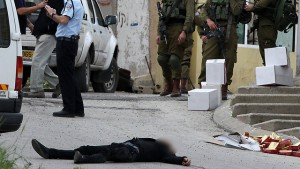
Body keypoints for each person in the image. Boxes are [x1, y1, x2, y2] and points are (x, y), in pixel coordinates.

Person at [44, 0, 84, 117]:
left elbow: (63, 20)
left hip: (66, 42)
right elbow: (63, 19)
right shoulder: (76, 2)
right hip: (69, 42)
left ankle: (69, 108)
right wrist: (54, 15)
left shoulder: (71, 1)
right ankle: (78, 108)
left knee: (65, 77)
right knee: (70, 75)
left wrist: (52, 13)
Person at [197, 0, 244, 100]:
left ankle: (224, 88)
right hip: (214, 28)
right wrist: (208, 20)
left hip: (230, 28)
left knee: (229, 58)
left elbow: (236, 11)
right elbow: (203, 10)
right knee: (207, 57)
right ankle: (202, 86)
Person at [31, 138, 191, 166]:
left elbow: (172, 159)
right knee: (86, 148)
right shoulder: (154, 141)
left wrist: (181, 159)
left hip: (130, 153)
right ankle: (50, 152)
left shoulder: (163, 152)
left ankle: (83, 160)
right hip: (121, 146)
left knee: (109, 154)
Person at [23, 0, 64, 98]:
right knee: (41, 63)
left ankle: (36, 90)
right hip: (45, 34)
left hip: (48, 34)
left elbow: (56, 16)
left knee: (37, 62)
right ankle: (59, 83)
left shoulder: (58, 2)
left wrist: (48, 28)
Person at [157, 0, 194, 97]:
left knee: (174, 59)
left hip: (179, 28)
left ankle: (176, 86)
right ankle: (169, 84)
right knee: (161, 58)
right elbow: (161, 17)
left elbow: (190, 16)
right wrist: (158, 33)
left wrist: (184, 31)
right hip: (166, 30)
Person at [244, 1, 277, 65]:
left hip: (267, 26)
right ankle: (268, 70)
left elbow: (261, 4)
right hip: (264, 24)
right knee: (265, 52)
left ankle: (270, 72)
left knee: (268, 51)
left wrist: (252, 7)